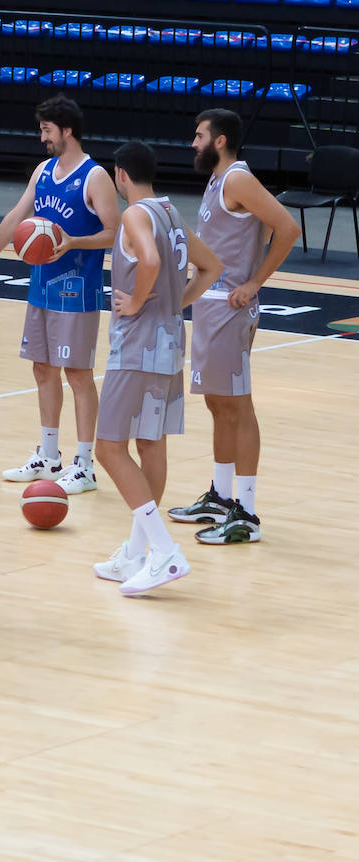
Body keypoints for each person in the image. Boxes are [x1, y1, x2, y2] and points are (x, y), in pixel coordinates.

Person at [92, 141, 222, 595]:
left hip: (137, 349)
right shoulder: (171, 212)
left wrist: (141, 301)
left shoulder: (135, 215)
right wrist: (170, 304)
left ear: (120, 175)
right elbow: (211, 268)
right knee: (150, 443)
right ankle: (136, 553)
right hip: (170, 345)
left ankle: (165, 551)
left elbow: (147, 260)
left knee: (107, 448)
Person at [0, 94, 119, 495]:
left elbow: (113, 231)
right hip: (41, 289)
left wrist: (72, 241)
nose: (42, 138)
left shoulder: (94, 177)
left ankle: (85, 464)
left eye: (46, 130)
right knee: (42, 369)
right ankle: (50, 455)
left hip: (77, 291)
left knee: (77, 374)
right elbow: (15, 218)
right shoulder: (43, 171)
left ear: (67, 130)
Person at [167, 109, 301, 545]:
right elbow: (248, 233)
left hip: (229, 308)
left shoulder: (238, 179)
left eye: (199, 135)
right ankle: (222, 497)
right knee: (219, 405)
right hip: (211, 306)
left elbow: (287, 227)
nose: (193, 142)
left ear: (220, 141)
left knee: (239, 407)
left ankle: (247, 512)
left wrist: (254, 282)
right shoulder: (218, 179)